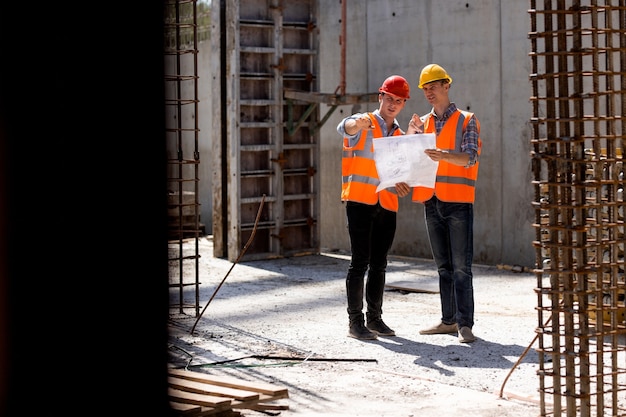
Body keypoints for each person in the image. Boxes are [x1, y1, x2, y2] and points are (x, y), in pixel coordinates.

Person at [405, 64, 482, 343]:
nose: (429, 92)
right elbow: (410, 159)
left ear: (446, 86)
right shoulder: (421, 123)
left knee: (462, 268)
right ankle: (448, 321)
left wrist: (444, 155)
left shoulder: (466, 120)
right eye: (425, 88)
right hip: (431, 201)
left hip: (458, 202)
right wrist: (411, 135)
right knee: (443, 268)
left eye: (433, 86)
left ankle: (465, 325)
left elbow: (470, 157)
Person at [336, 75, 413, 340]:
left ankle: (374, 319)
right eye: (389, 99)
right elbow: (344, 128)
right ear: (380, 97)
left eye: (399, 101)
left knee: (379, 264)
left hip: (387, 203)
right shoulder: (365, 123)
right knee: (359, 263)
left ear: (403, 104)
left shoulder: (401, 136)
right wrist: (354, 121)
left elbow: (399, 170)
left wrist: (402, 183)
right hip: (360, 200)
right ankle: (355, 322)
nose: (393, 104)